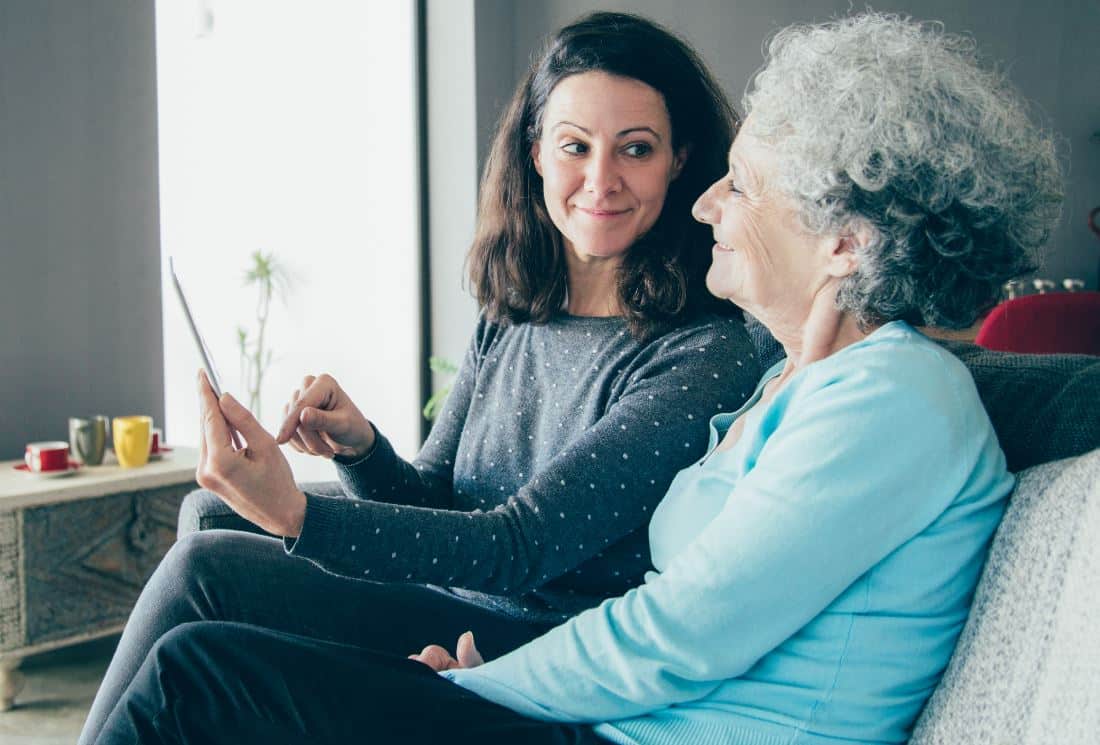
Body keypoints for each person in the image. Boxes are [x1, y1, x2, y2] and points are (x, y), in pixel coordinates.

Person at [94, 12, 1064, 745]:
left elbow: (671, 633)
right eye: (573, 145)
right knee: (206, 603)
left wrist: (481, 679)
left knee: (198, 665)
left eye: (741, 182)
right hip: (615, 707)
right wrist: (366, 462)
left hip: (633, 723)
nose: (709, 202)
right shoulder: (800, 388)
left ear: (845, 242)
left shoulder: (885, 403)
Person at [79, 11, 760, 745]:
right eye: (575, 146)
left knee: (202, 575)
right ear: (536, 153)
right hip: (450, 594)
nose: (601, 180)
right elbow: (441, 494)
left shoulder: (697, 352)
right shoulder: (517, 310)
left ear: (680, 159)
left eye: (636, 148)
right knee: (208, 518)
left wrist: (298, 517)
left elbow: (515, 546)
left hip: (530, 634)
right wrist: (361, 449)